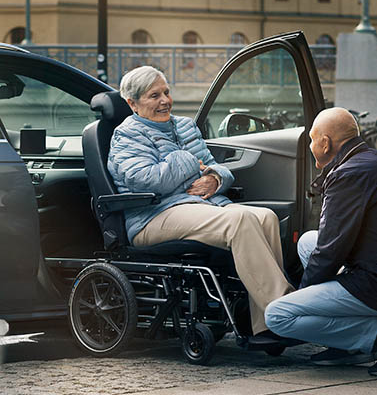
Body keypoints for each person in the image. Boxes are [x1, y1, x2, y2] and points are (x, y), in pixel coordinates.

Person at [107, 65, 294, 341]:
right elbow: (146, 181)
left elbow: (215, 167)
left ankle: (264, 323)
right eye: (154, 95)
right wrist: (186, 162)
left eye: (166, 93)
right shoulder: (127, 135)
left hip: (199, 205)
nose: (164, 101)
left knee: (266, 216)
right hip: (153, 215)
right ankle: (286, 313)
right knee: (240, 220)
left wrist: (215, 179)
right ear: (132, 103)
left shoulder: (183, 126)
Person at [265, 107, 377, 367]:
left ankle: (369, 337)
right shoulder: (368, 160)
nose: (311, 146)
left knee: (278, 315)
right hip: (369, 262)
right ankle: (345, 345)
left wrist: (305, 298)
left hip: (371, 281)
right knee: (307, 241)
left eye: (312, 140)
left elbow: (330, 250)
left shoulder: (347, 174)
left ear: (325, 143)